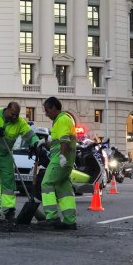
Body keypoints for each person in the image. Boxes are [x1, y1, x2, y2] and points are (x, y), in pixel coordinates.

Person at [0, 101, 40, 221]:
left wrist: (36, 143)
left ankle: (9, 210)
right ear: (7, 109)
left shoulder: (19, 122)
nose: (15, 117)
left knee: (8, 184)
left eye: (17, 115)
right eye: (13, 114)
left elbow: (30, 135)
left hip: (6, 155)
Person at [40, 97, 78, 230]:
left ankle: (52, 217)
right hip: (66, 162)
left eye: (47, 111)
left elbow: (64, 140)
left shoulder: (62, 120)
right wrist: (45, 143)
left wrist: (62, 156)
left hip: (60, 160)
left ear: (53, 108)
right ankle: (70, 220)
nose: (46, 114)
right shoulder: (61, 120)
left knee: (46, 183)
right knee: (64, 188)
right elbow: (58, 141)